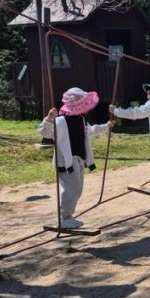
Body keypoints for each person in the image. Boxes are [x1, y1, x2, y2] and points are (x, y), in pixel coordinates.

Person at [38, 88, 113, 229]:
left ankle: (68, 216)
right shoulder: (60, 121)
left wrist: (106, 126)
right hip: (66, 162)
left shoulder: (81, 119)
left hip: (79, 158)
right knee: (71, 189)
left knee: (77, 189)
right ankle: (64, 218)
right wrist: (49, 119)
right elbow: (46, 133)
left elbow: (91, 131)